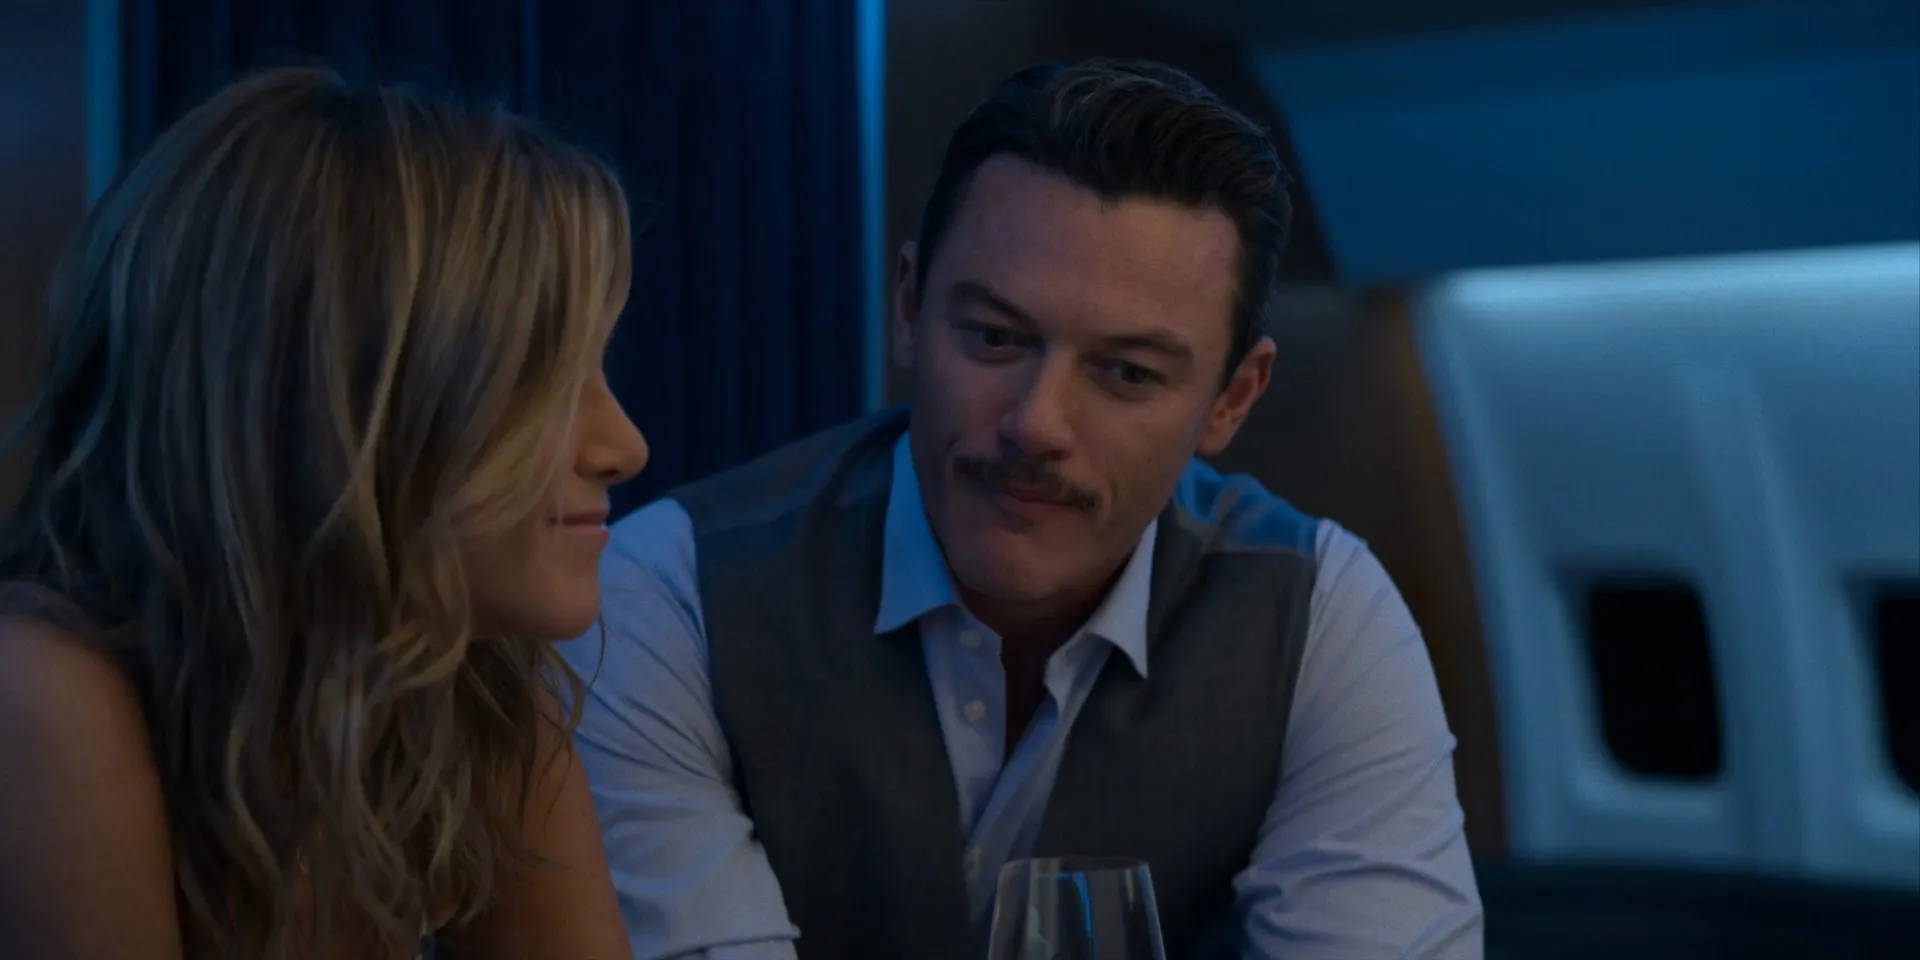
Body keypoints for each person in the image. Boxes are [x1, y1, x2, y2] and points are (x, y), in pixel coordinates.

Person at [569, 59, 1483, 959]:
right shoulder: (668, 594)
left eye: (1128, 374)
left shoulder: (1320, 618)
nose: (1037, 424)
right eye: (996, 337)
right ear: (909, 305)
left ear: (1233, 398)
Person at [0, 68, 649, 960]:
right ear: (333, 399)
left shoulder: (472, 682)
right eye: (543, 379)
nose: (624, 447)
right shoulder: (43, 689)